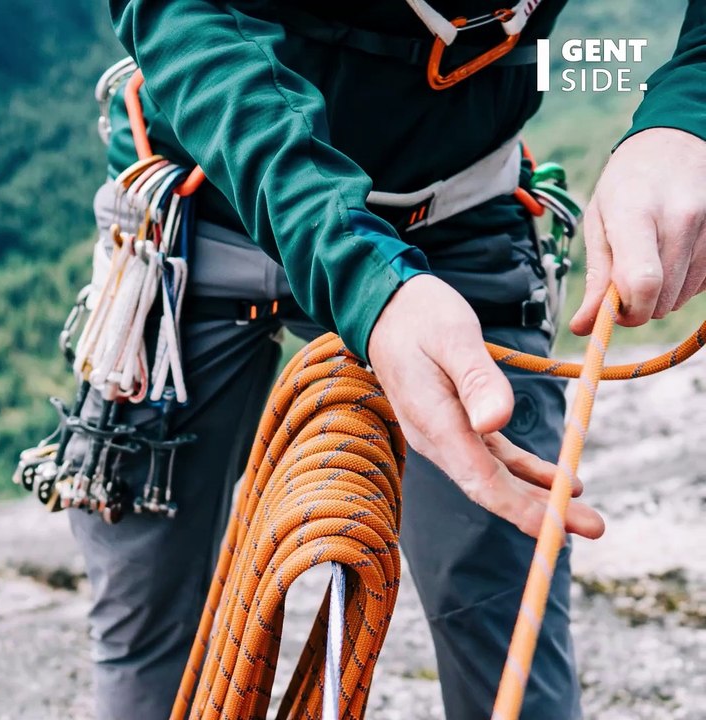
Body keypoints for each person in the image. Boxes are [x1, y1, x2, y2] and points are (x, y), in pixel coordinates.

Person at [66, 1, 706, 718]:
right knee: (149, 609)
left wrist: (689, 111)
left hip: (455, 213)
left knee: (501, 608)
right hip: (210, 194)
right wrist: (364, 273)